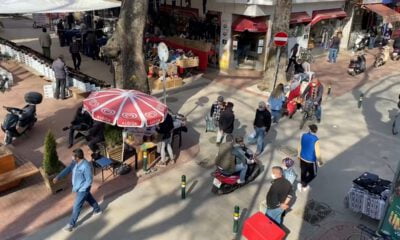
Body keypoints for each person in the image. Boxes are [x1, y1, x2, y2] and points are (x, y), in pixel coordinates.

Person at [53, 148, 101, 232]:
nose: (71, 157)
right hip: (78, 188)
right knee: (88, 197)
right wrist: (58, 177)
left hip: (82, 189)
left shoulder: (85, 166)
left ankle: (71, 224)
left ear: (77, 157)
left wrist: (82, 189)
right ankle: (97, 209)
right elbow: (68, 169)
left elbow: (89, 180)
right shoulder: (75, 163)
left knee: (76, 206)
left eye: (73, 156)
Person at [297, 124, 323, 192]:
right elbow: (317, 152)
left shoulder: (303, 135)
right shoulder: (315, 139)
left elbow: (300, 145)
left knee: (303, 172)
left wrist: (298, 155)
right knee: (313, 174)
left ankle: (303, 185)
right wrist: (320, 161)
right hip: (310, 160)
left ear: (309, 129)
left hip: (302, 157)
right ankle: (303, 184)